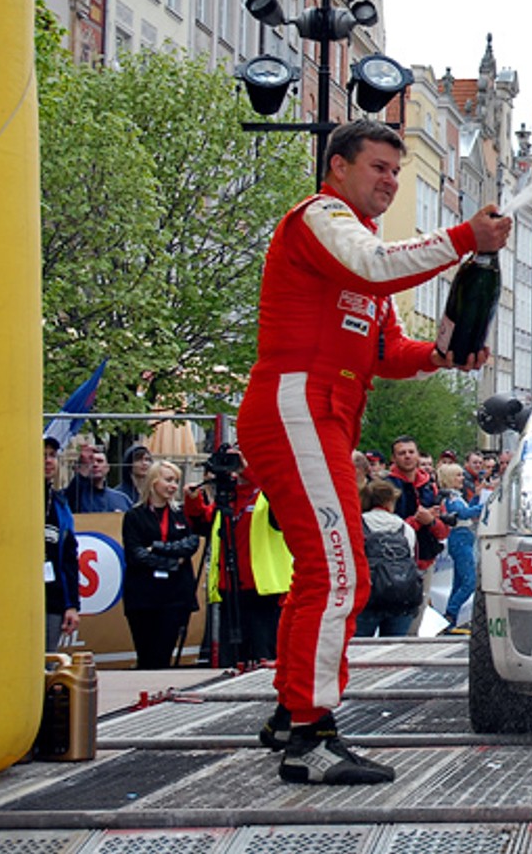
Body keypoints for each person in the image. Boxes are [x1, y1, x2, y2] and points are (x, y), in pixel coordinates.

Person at [236, 117, 509, 786]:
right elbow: (378, 269)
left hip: (319, 415)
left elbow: (385, 349)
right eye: (378, 168)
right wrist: (464, 239)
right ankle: (310, 735)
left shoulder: (356, 245)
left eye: (395, 170)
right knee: (339, 572)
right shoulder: (321, 219)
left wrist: (442, 356)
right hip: (298, 405)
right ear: (337, 169)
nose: (389, 181)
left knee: (321, 571)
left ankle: (290, 712)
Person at [184, 447, 291, 666]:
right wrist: (193, 500)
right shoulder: (227, 499)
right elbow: (204, 522)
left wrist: (249, 470)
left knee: (266, 657)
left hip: (264, 592)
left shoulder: (265, 494)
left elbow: (281, 502)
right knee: (231, 660)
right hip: (229, 590)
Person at [120, 459, 202, 668]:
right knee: (146, 654)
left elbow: (190, 544)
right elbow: (135, 553)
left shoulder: (181, 513)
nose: (173, 486)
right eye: (168, 480)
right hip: (143, 596)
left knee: (164, 653)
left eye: (175, 481)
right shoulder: (134, 516)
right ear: (153, 481)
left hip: (175, 596)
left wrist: (157, 547)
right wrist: (172, 562)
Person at [356, 480, 423, 638]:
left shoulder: (358, 523)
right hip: (401, 597)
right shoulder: (404, 527)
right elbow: (413, 560)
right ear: (390, 501)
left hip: (368, 596)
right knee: (394, 649)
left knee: (358, 650)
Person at [42, 436, 82, 650]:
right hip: (17, 599)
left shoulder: (59, 503)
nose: (48, 461)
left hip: (54, 600)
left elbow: (69, 560)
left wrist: (72, 606)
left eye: (52, 456)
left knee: (48, 663)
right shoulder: (14, 499)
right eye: (42, 455)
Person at [386, 436, 449, 570]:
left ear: (418, 455)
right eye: (402, 453)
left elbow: (444, 531)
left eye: (411, 452)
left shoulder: (430, 486)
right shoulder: (385, 487)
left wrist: (431, 521)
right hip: (394, 561)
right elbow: (383, 530)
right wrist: (416, 521)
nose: (407, 456)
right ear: (393, 458)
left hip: (426, 560)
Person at [436, 462, 483, 631]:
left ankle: (450, 621)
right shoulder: (451, 498)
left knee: (458, 582)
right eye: (458, 475)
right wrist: (486, 506)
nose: (462, 478)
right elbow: (463, 513)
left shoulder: (456, 496)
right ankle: (450, 613)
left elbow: (467, 510)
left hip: (464, 538)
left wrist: (477, 498)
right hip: (461, 538)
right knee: (469, 582)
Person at [60, 440, 134, 513]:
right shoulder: (72, 496)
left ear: (107, 467)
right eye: (90, 462)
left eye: (99, 461)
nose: (95, 465)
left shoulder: (122, 499)